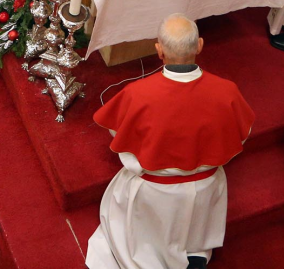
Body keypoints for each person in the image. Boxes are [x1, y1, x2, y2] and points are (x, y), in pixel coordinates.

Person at [86, 14, 254, 269]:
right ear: (199, 45)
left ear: (159, 50)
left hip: (155, 192)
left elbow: (119, 136)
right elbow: (242, 133)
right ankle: (193, 251)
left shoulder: (137, 94)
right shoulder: (228, 91)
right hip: (206, 188)